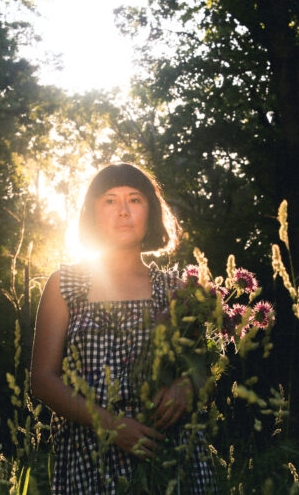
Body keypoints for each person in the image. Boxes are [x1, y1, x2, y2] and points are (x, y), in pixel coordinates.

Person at [31, 163, 215, 494]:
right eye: (109, 201)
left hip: (170, 457)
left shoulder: (175, 290)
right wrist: (112, 426)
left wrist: (186, 387)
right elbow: (43, 380)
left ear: (151, 212)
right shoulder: (66, 285)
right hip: (92, 456)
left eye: (134, 199)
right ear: (93, 214)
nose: (123, 212)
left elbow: (202, 365)